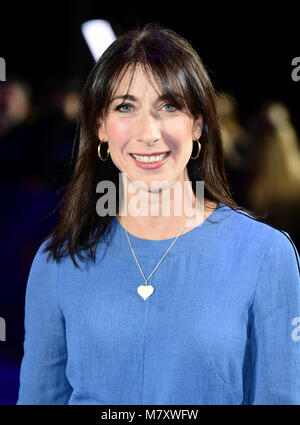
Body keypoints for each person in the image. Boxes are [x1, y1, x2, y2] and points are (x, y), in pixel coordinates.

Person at [17, 23, 300, 405]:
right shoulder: (58, 262)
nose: (148, 132)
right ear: (100, 126)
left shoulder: (265, 255)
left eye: (169, 106)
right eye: (125, 107)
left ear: (197, 123)